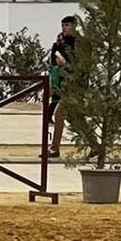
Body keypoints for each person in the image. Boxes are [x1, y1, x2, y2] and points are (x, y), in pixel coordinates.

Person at [49, 14, 79, 158]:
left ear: (74, 25)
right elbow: (54, 63)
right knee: (76, 118)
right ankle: (95, 146)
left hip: (76, 85)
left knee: (59, 114)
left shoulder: (80, 44)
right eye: (63, 25)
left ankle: (54, 148)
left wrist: (66, 64)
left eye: (67, 25)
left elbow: (82, 67)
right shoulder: (61, 43)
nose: (64, 28)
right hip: (65, 85)